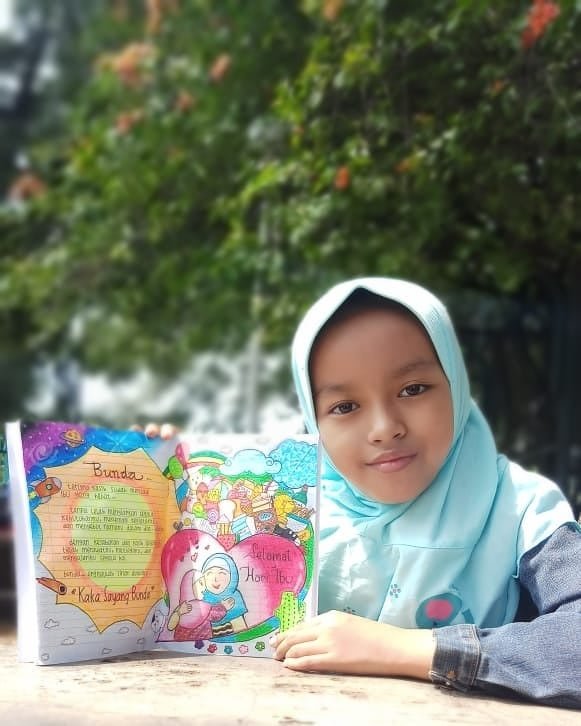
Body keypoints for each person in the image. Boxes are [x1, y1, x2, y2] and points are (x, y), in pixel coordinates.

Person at [269, 277, 581, 709]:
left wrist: (403, 649)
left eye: (412, 389)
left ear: (456, 385)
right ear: (313, 418)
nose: (384, 429)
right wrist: (169, 488)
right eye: (345, 407)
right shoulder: (287, 509)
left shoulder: (523, 509)